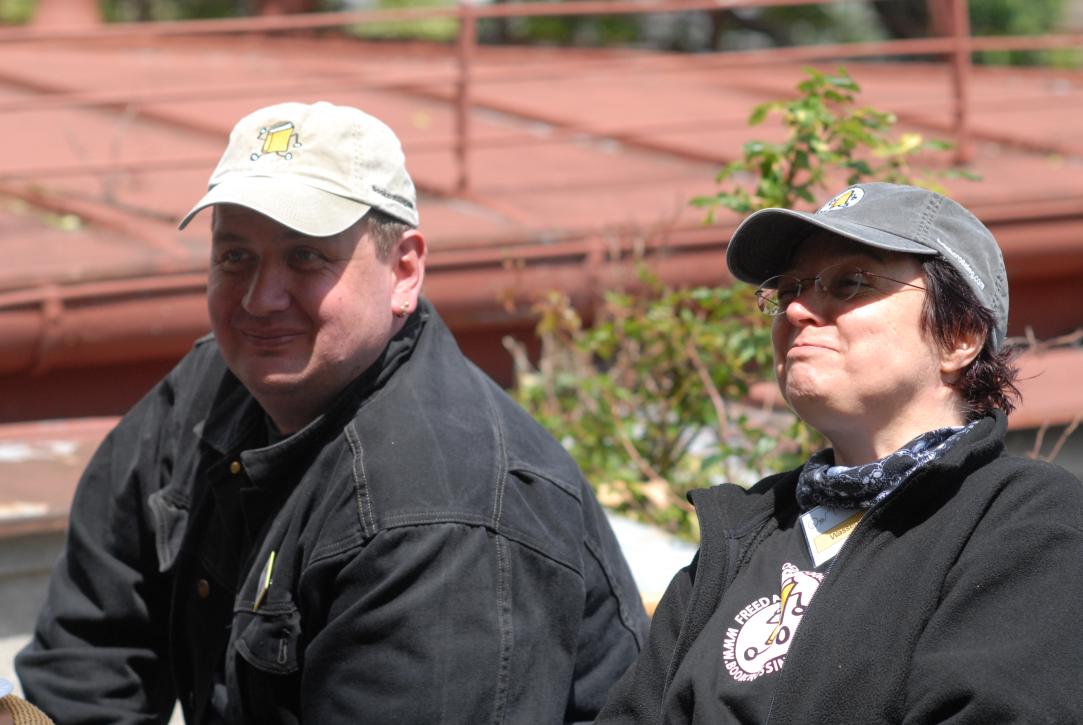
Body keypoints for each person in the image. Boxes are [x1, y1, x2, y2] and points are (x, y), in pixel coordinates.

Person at [16, 101, 648, 724]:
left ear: (404, 270)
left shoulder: (441, 517)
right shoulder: (209, 390)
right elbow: (85, 667)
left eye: (306, 256)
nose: (261, 299)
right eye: (235, 256)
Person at [596, 182, 1083, 723]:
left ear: (959, 335)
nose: (796, 310)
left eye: (850, 283)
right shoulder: (740, 534)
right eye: (788, 290)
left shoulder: (1024, 522)